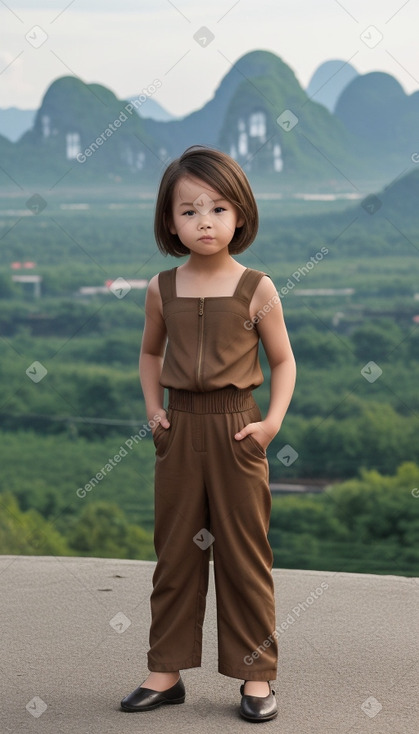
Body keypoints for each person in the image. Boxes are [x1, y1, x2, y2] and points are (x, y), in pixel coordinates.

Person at [120, 145, 296, 722]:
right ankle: (165, 671)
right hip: (179, 429)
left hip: (238, 429)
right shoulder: (161, 289)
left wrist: (270, 424)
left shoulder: (257, 288)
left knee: (244, 554)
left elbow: (283, 362)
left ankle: (256, 676)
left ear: (239, 214)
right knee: (175, 554)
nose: (205, 222)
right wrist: (154, 411)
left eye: (218, 208)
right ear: (170, 221)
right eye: (189, 211)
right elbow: (150, 354)